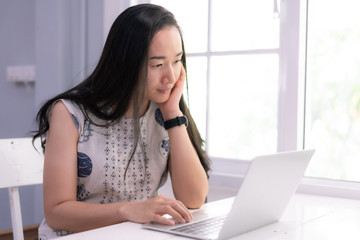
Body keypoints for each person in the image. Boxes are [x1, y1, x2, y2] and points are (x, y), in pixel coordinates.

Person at [32, 3, 211, 239]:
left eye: (177, 61)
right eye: (157, 64)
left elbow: (194, 199)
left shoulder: (165, 109)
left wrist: (172, 115)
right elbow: (57, 213)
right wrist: (129, 210)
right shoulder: (70, 113)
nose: (171, 76)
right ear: (126, 64)